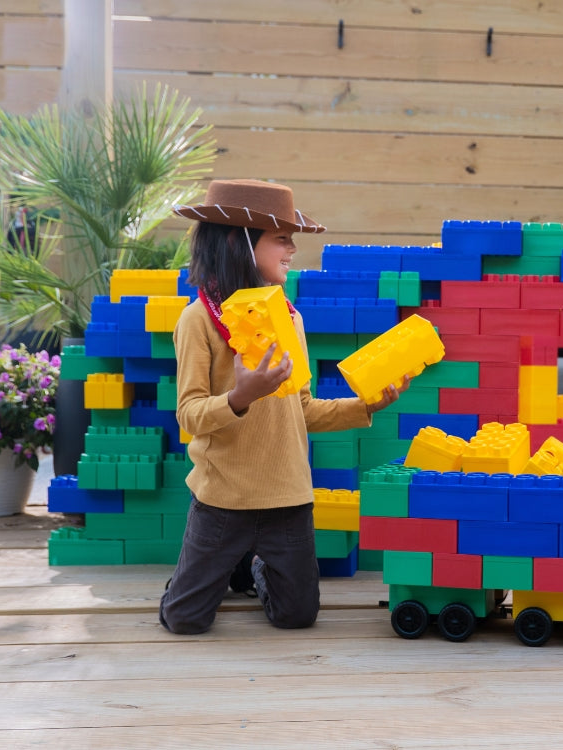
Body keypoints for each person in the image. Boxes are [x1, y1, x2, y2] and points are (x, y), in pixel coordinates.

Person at [159, 179, 407, 634]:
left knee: (297, 615)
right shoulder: (198, 321)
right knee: (185, 620)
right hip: (223, 500)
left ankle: (252, 567)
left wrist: (364, 405)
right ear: (240, 242)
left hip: (287, 498)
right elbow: (190, 414)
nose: (293, 249)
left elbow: (303, 409)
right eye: (282, 238)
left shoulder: (291, 319)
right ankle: (209, 572)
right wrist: (240, 397)